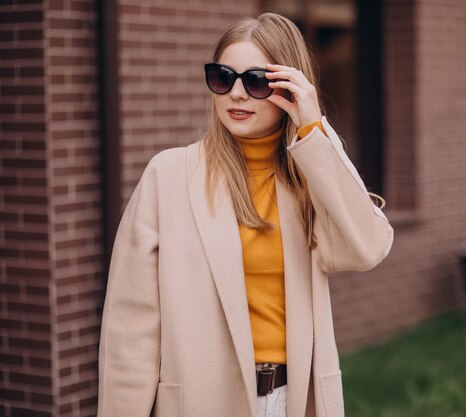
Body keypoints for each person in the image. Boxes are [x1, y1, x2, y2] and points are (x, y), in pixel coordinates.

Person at [96, 12, 393, 417]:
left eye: (256, 81)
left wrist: (313, 127)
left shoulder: (309, 179)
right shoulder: (167, 177)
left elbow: (367, 248)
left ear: (288, 90)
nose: (236, 94)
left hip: (292, 400)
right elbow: (131, 328)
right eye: (223, 77)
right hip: (200, 402)